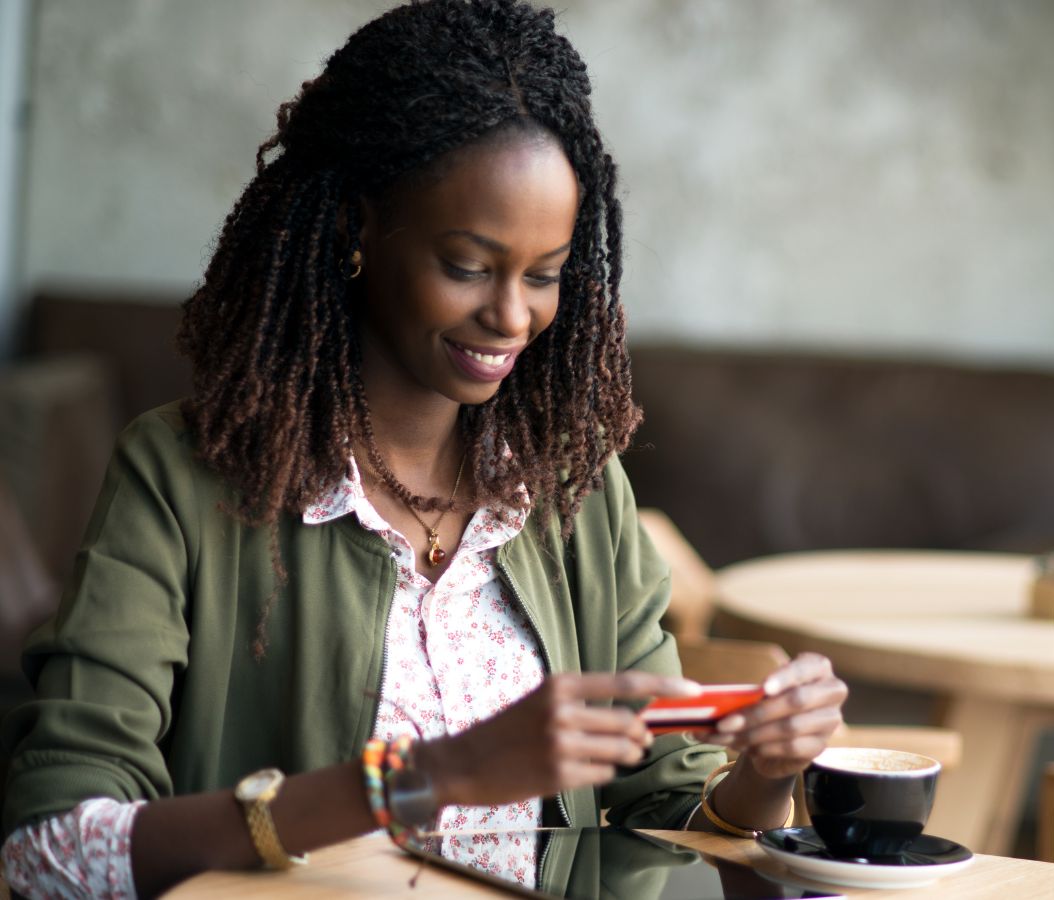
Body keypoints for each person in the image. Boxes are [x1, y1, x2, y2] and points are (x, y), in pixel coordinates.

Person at [0, 2, 848, 897]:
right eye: (470, 265)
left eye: (545, 274)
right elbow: (51, 846)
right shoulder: (182, 478)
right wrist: (433, 776)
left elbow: (668, 811)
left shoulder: (574, 492)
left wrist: (765, 770)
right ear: (356, 228)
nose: (513, 316)